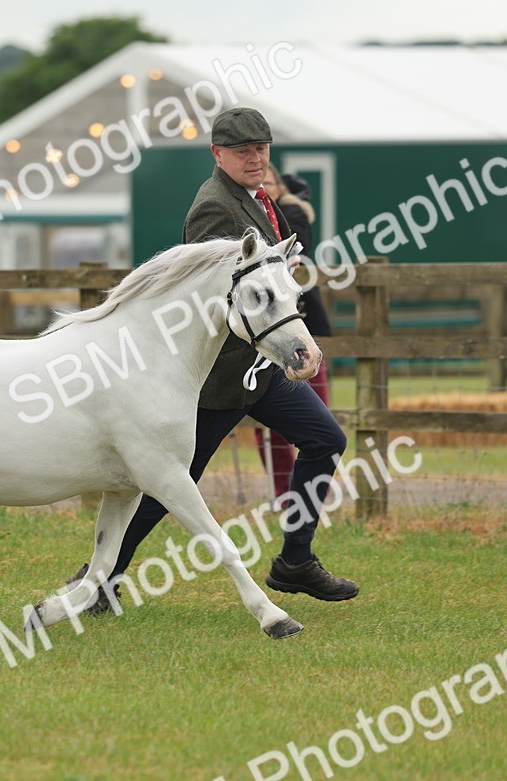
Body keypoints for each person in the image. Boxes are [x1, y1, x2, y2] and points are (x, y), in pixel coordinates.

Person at [69, 106, 358, 611]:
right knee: (166, 484)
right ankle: (97, 581)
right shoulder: (214, 208)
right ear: (217, 154)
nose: (255, 159)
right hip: (217, 373)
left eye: (261, 149)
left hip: (258, 367)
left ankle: (295, 560)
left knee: (325, 438)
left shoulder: (256, 197)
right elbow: (217, 298)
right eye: (243, 151)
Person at [254, 163, 335, 498]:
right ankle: (284, 492)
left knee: (317, 413)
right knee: (266, 426)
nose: (264, 187)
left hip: (298, 320)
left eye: (270, 181)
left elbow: (291, 245)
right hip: (263, 329)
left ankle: (312, 489)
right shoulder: (246, 214)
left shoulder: (290, 214)